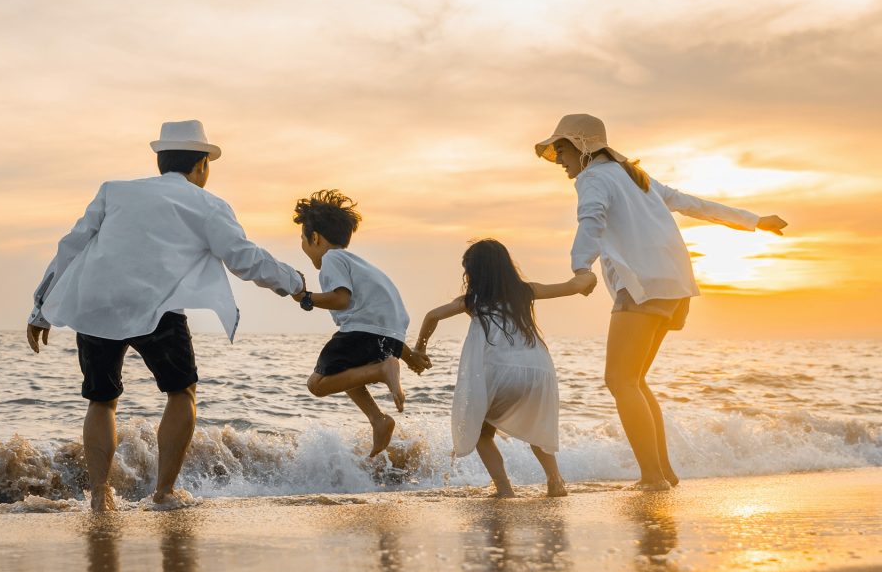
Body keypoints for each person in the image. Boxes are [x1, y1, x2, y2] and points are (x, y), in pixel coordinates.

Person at [26, 120, 305, 511]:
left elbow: (70, 245)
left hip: (97, 305)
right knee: (181, 392)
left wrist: (40, 308)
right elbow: (244, 258)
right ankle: (164, 492)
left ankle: (100, 495)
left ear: (161, 161)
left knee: (102, 399)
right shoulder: (207, 204)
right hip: (157, 310)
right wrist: (295, 285)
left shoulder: (114, 191)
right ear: (202, 165)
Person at [535, 113, 788, 491]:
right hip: (675, 286)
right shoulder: (636, 178)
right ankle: (663, 472)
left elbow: (592, 218)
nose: (558, 158)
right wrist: (754, 220)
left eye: (561, 148)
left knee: (619, 380)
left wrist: (579, 267)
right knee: (634, 380)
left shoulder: (594, 177)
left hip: (643, 285)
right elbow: (691, 203)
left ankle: (652, 477)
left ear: (582, 147)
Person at [412, 239, 597, 498]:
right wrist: (588, 276)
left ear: (474, 272)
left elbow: (432, 315)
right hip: (539, 370)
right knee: (538, 431)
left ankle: (504, 488)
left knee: (481, 432)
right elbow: (574, 285)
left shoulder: (473, 300)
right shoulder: (525, 291)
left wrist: (420, 349)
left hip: (501, 370)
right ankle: (555, 480)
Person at [291, 190, 429, 458]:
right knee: (346, 373)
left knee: (317, 384)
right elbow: (385, 328)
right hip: (387, 337)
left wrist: (306, 298)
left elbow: (341, 299)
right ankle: (378, 419)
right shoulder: (364, 266)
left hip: (362, 333)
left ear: (315, 238)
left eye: (302, 239)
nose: (303, 245)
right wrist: (410, 357)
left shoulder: (332, 259)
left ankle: (380, 372)